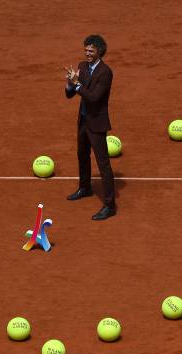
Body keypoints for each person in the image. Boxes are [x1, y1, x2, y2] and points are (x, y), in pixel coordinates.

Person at [64, 34, 116, 221]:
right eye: (85, 50)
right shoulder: (82, 66)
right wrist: (69, 84)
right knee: (82, 155)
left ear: (99, 52)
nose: (87, 53)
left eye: (91, 51)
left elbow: (94, 98)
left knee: (103, 164)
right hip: (84, 120)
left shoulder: (105, 72)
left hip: (97, 122)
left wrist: (77, 85)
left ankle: (110, 205)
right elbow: (70, 95)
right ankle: (85, 187)